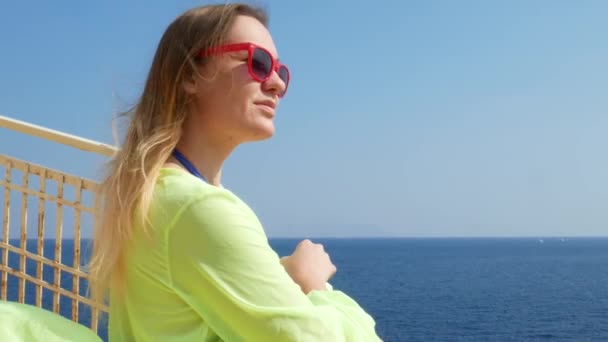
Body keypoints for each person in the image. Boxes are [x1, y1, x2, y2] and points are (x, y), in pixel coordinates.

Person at [88, 3, 381, 341]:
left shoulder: (152, 195)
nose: (277, 85)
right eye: (257, 63)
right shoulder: (196, 209)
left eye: (280, 71)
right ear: (189, 75)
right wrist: (316, 286)